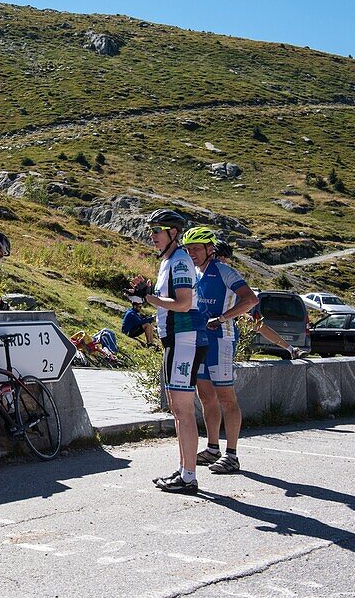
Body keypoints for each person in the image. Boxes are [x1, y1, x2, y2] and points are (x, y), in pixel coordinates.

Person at [126, 209, 207, 494]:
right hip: (176, 339)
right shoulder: (169, 261)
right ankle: (185, 470)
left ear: (173, 233)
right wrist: (146, 294)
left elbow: (183, 303)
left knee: (183, 409)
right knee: (177, 408)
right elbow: (168, 300)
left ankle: (188, 476)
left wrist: (148, 297)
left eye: (156, 231)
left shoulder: (180, 261)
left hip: (184, 337)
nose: (152, 236)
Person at [182, 227, 259, 475]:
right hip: (200, 341)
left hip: (221, 342)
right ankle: (213, 447)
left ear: (209, 249)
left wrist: (223, 317)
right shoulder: (194, 272)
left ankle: (232, 454)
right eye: (187, 249)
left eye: (195, 248)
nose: (191, 253)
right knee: (205, 396)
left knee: (226, 398)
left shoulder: (224, 271)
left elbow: (250, 300)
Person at [215, 242, 306, 359]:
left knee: (259, 325)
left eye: (225, 258)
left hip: (231, 312)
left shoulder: (227, 272)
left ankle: (291, 349)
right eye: (221, 257)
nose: (223, 261)